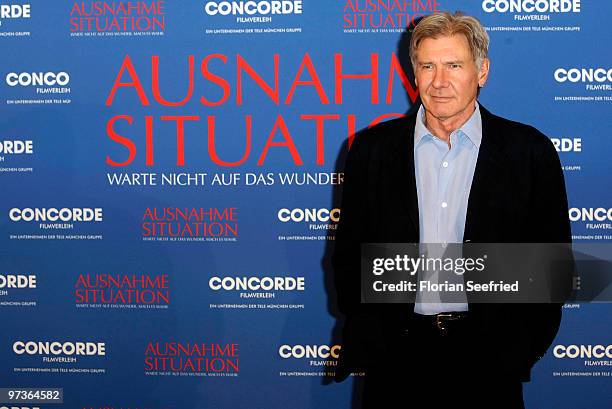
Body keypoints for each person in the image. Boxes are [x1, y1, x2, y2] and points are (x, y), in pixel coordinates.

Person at [332, 11, 571, 409]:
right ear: (414, 73)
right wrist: (375, 337)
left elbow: (554, 267)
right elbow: (348, 257)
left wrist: (518, 349)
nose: (439, 81)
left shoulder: (529, 152)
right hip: (396, 359)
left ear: (482, 71)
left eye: (454, 65)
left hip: (489, 360)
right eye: (427, 66)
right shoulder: (371, 150)